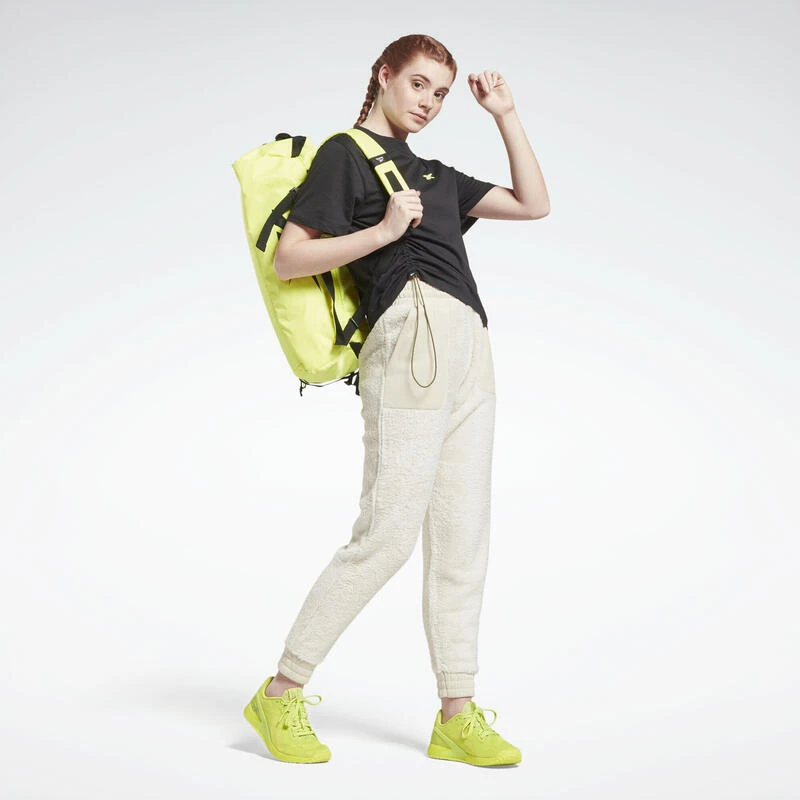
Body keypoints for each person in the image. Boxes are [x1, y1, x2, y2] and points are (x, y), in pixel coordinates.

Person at [243, 33, 550, 767]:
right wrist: (383, 230)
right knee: (386, 534)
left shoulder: (437, 174)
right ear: (384, 75)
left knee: (463, 538)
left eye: (440, 94)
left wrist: (505, 114)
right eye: (418, 84)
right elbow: (290, 257)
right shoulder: (345, 154)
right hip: (409, 337)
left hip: (470, 345)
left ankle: (456, 712)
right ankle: (280, 692)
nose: (429, 102)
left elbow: (534, 204)